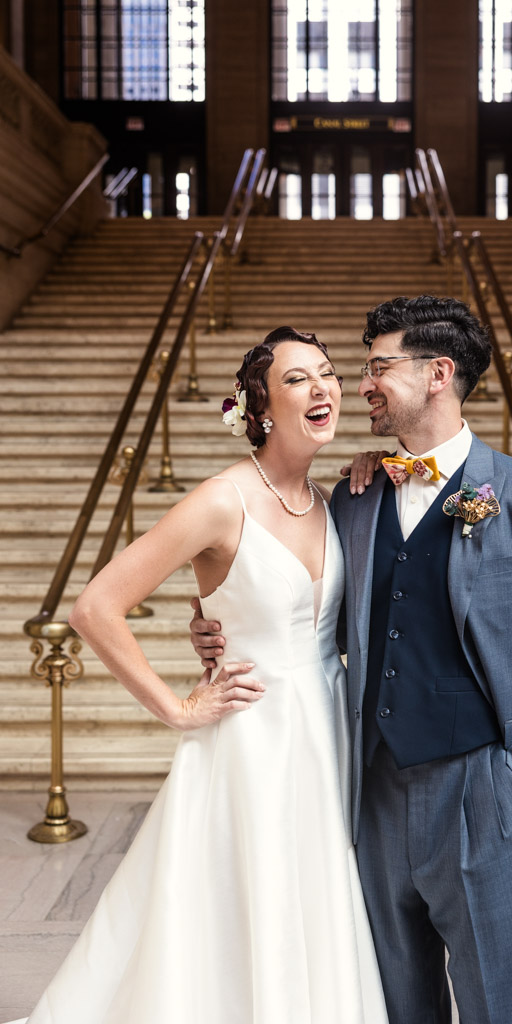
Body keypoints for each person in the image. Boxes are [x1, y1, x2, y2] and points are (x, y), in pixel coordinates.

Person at [191, 296, 512, 1024]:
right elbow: (291, 597)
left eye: (379, 366)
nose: (362, 386)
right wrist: (216, 627)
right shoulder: (353, 498)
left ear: (438, 373)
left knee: (501, 1009)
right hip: (373, 789)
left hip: (485, 789)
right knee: (390, 1004)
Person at [10, 327, 388, 1024]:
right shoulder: (221, 501)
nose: (323, 388)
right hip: (250, 739)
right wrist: (176, 709)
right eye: (299, 378)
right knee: (237, 902)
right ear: (263, 408)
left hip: (327, 729)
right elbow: (95, 607)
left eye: (328, 374)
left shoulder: (338, 502)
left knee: (314, 897)